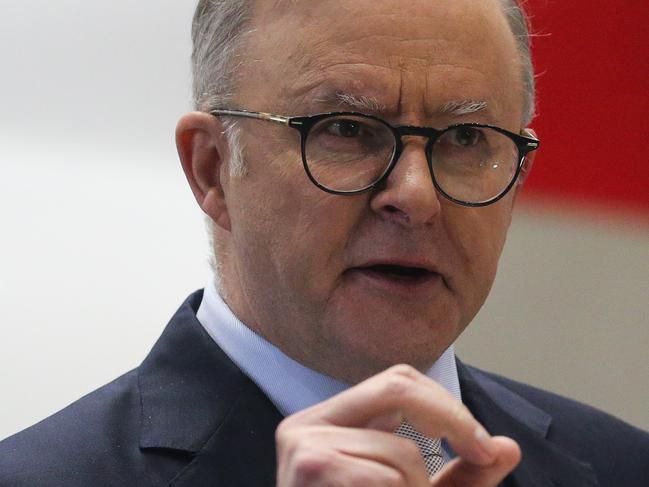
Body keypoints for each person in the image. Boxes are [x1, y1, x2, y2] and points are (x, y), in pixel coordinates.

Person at [1, 0, 648, 486]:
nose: (415, 196)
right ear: (212, 168)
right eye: (345, 128)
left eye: (465, 139)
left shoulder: (621, 465)